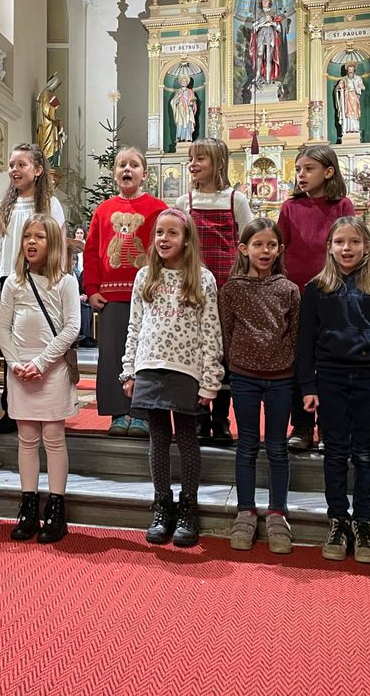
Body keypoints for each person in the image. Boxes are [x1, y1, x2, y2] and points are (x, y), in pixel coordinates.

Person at [298, 217, 370, 564]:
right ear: (329, 247)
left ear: (367, 246)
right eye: (339, 242)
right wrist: (308, 385)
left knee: (365, 453)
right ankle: (338, 520)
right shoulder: (316, 289)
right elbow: (305, 342)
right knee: (335, 451)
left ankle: (364, 521)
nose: (346, 248)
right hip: (330, 376)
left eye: (354, 242)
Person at [121, 208, 223, 547]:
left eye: (172, 233)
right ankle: (162, 504)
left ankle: (188, 507)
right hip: (149, 365)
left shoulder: (203, 279)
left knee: (188, 439)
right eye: (159, 234)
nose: (164, 239)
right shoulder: (145, 277)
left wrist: (211, 380)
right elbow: (134, 326)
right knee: (158, 438)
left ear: (187, 239)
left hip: (187, 369)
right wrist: (128, 369)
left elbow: (211, 332)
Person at [0, 214, 80, 543]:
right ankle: (29, 506)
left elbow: (72, 327)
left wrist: (42, 362)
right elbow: (3, 327)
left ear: (53, 243)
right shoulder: (14, 282)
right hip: (21, 371)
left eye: (40, 237)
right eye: (27, 236)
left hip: (52, 369)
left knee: (53, 439)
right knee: (26, 439)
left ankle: (56, 508)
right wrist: (16, 363)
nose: (31, 242)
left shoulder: (66, 281)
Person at [220, 219, 300, 553]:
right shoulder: (232, 289)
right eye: (257, 245)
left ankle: (278, 512)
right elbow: (226, 332)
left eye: (270, 245)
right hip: (245, 377)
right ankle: (246, 510)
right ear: (244, 249)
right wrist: (234, 363)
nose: (264, 251)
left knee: (278, 447)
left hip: (282, 378)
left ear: (279, 250)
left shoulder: (289, 289)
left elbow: (295, 334)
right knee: (248, 445)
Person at [83, 147, 166, 438]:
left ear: (144, 174)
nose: (127, 169)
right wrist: (91, 289)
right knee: (113, 355)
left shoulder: (157, 208)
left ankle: (142, 413)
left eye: (134, 165)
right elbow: (91, 252)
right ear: (115, 172)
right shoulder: (103, 211)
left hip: (148, 297)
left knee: (146, 356)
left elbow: (164, 248)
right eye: (121, 165)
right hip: (111, 297)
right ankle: (119, 413)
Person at [176, 137, 253, 444]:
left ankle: (221, 417)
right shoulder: (185, 203)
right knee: (196, 351)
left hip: (227, 286)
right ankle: (198, 416)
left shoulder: (236, 199)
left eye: (200, 159)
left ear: (218, 163)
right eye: (191, 159)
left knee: (222, 354)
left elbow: (247, 243)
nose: (193, 165)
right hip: (194, 287)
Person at [278, 145, 354, 451]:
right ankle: (303, 425)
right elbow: (281, 249)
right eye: (298, 170)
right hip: (298, 293)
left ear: (329, 172)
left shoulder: (343, 205)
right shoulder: (290, 207)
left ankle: (332, 426)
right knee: (302, 361)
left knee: (333, 360)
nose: (301, 175)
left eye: (308, 169)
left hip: (335, 291)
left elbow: (351, 245)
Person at [0, 143, 65, 434]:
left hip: (42, 281)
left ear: (38, 170)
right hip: (10, 281)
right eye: (11, 165)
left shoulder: (49, 205)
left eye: (21, 165)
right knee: (11, 347)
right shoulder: (3, 206)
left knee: (39, 344)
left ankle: (45, 403)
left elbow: (57, 244)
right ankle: (11, 407)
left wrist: (56, 277)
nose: (14, 170)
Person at [249, 0, 285, 86]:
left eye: (267, 0)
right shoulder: (258, 14)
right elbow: (254, 27)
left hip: (270, 35)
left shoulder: (274, 13)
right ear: (261, 3)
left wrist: (272, 22)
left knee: (269, 57)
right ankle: (258, 75)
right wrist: (263, 22)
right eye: (263, 0)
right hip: (261, 35)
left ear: (270, 2)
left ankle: (268, 78)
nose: (265, 2)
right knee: (259, 54)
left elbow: (279, 28)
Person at [336, 63, 365, 140]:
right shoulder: (343, 79)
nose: (350, 71)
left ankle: (355, 128)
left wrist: (359, 86)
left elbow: (363, 87)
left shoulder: (358, 78)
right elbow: (338, 88)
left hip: (354, 97)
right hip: (347, 97)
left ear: (354, 70)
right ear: (347, 70)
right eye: (349, 70)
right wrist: (340, 87)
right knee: (347, 113)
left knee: (355, 112)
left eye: (352, 69)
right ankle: (347, 128)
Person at [169, 75, 198, 143]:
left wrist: (192, 102)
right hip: (180, 109)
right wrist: (178, 97)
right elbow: (173, 102)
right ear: (180, 83)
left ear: (187, 82)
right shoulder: (178, 91)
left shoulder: (190, 91)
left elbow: (193, 100)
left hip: (188, 109)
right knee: (180, 123)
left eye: (185, 81)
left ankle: (188, 138)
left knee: (188, 123)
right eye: (182, 81)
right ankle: (180, 138)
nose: (184, 82)